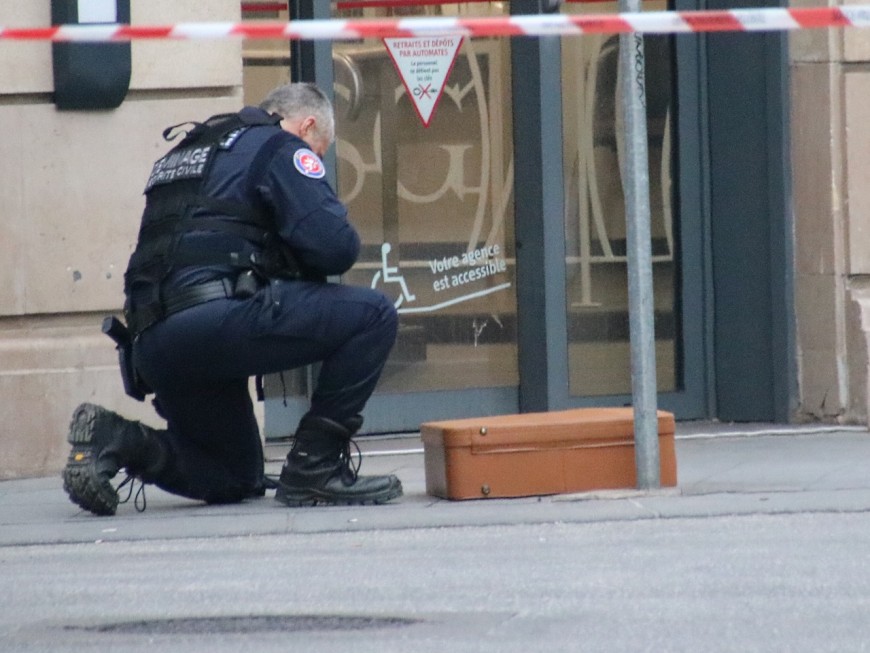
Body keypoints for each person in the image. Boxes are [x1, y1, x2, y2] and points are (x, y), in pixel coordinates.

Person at [62, 82, 403, 516]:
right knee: (373, 315)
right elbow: (335, 247)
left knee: (234, 474)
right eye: (319, 152)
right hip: (215, 320)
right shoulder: (281, 146)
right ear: (306, 126)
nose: (316, 161)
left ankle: (120, 440)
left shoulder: (187, 152)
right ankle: (314, 467)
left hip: (152, 342)